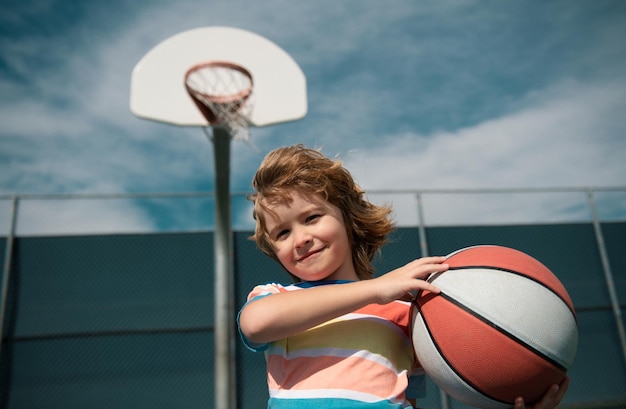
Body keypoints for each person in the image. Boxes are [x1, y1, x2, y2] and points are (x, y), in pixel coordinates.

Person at [237, 144, 569, 409]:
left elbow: (408, 398)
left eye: (311, 218)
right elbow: (255, 323)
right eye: (282, 233)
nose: (300, 238)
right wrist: (376, 289)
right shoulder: (276, 296)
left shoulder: (409, 318)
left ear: (348, 219)